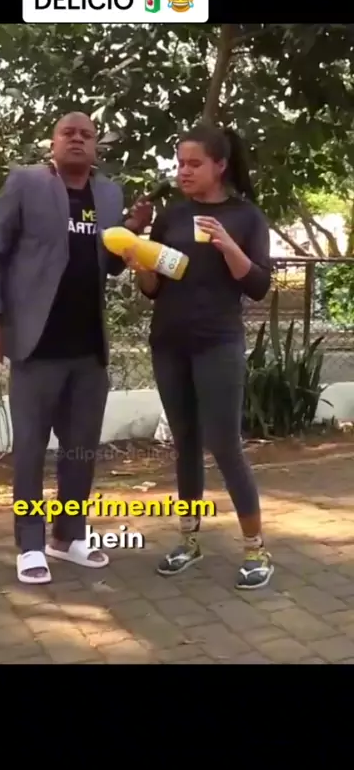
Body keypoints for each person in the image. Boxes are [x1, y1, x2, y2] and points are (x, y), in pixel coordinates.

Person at [0, 112, 152, 584]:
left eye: (86, 134)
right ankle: (31, 544)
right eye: (67, 133)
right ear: (53, 143)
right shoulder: (26, 183)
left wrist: (132, 230)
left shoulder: (108, 194)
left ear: (96, 147)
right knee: (31, 451)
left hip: (88, 348)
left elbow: (108, 264)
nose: (77, 139)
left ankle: (68, 536)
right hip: (37, 345)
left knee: (80, 451)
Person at [124, 124, 273, 590]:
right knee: (185, 443)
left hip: (217, 343)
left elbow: (258, 285)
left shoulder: (246, 217)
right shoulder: (172, 215)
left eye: (194, 164)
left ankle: (256, 550)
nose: (183, 172)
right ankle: (188, 541)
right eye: (180, 163)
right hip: (169, 342)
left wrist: (228, 245)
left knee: (224, 444)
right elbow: (154, 288)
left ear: (220, 165)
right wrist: (140, 266)